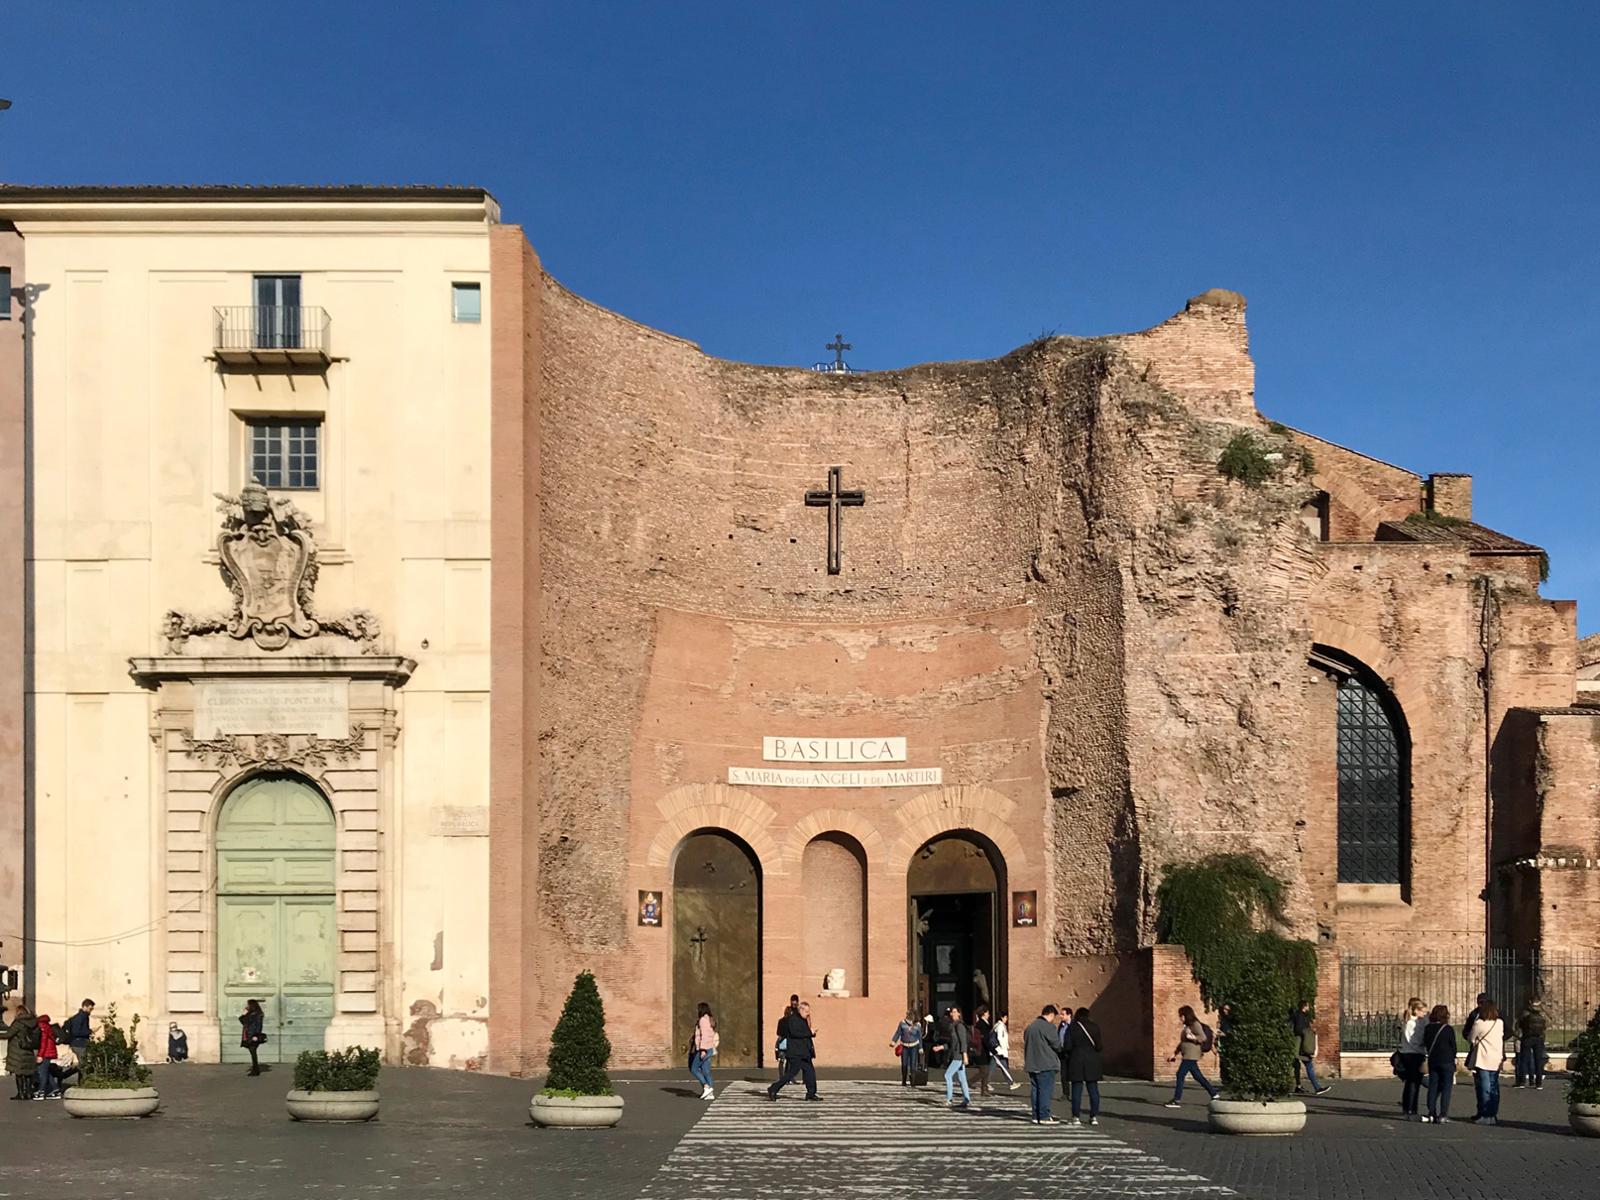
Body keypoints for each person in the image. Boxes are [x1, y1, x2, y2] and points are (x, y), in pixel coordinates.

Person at [1165, 1005, 1217, 1107]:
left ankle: (1177, 1100)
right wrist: (1175, 1053)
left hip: (1192, 1054)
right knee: (1198, 1076)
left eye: (1181, 1015)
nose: (1180, 1018)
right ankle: (1214, 1094)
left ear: (1186, 1015)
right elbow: (1183, 1042)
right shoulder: (1187, 1026)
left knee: (1180, 1074)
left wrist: (1192, 1038)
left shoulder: (1195, 1024)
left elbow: (1203, 1037)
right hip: (1187, 1054)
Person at [767, 1000, 819, 1102]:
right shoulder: (793, 1019)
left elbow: (803, 1033)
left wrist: (811, 1033)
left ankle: (811, 1093)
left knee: (810, 1072)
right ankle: (773, 1089)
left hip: (804, 1052)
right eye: (806, 1011)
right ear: (801, 1010)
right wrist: (810, 1032)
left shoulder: (803, 1019)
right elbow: (796, 1033)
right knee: (791, 1073)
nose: (808, 1013)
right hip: (796, 1052)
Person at [1466, 999, 1504, 1125]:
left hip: (1483, 1058)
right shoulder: (1499, 1023)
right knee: (1494, 1088)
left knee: (1485, 1087)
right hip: (1496, 1057)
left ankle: (1485, 1114)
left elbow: (1471, 1038)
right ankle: (1492, 1114)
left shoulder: (1479, 1023)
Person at [1023, 1005, 1062, 1125]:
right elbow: (1056, 1044)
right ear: (1050, 1014)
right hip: (1046, 1063)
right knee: (1045, 1090)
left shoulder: (1030, 1027)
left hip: (1032, 1063)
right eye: (1053, 1017)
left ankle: (1036, 1115)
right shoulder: (1048, 1027)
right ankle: (1044, 1116)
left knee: (1035, 1090)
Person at [1066, 1006, 1104, 1125]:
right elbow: (1099, 1046)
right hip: (1092, 1061)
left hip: (1076, 1060)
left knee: (1076, 1090)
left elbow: (1067, 1046)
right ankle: (1093, 1116)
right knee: (1093, 1090)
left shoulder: (1072, 1027)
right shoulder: (1095, 1027)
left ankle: (1075, 1117)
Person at [1423, 1004, 1457, 1124]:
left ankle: (1431, 1113)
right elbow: (1453, 1047)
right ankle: (1443, 1114)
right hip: (1447, 1060)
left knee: (1433, 1087)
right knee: (1446, 1088)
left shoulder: (1428, 1028)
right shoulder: (1448, 1029)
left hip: (1433, 1060)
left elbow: (1426, 1043)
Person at [1, 999, 40, 1100]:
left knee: (19, 1074)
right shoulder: (34, 1022)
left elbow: (8, 1034)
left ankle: (21, 1093)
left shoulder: (18, 1023)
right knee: (28, 1074)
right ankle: (28, 1093)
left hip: (18, 1052)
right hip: (29, 1051)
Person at [1396, 997, 1428, 1120]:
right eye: (1423, 1011)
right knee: (1413, 1083)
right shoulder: (1410, 1023)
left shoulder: (1420, 1022)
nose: (1424, 1014)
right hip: (1412, 1054)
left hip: (1414, 1053)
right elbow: (1412, 1040)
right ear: (1416, 1010)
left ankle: (1409, 1107)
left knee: (1413, 1083)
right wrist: (1422, 1043)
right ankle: (1410, 1108)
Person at [1291, 1001, 1331, 1096]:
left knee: (1296, 1065)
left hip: (1299, 1045)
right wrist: (1308, 1033)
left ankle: (1298, 1086)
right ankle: (1317, 1088)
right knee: (1308, 1065)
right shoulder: (1301, 1017)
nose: (1309, 1007)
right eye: (1308, 1006)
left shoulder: (1297, 1016)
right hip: (1301, 1046)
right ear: (1304, 1007)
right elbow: (1299, 1029)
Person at [938, 1004, 972, 1108]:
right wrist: (941, 1047)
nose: (952, 1014)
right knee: (962, 1078)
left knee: (947, 1075)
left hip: (959, 1055)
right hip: (956, 1054)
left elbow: (963, 1041)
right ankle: (967, 1099)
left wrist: (965, 1055)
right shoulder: (953, 1026)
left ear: (959, 1013)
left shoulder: (959, 1025)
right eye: (951, 1012)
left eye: (954, 1012)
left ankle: (949, 1099)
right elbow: (953, 1043)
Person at [1515, 998, 1547, 1090]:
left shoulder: (1525, 1013)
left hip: (1527, 1038)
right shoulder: (1542, 1013)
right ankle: (1539, 1083)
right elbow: (1545, 1026)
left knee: (1524, 1060)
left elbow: (1519, 1024)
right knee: (1538, 1061)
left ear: (1530, 1002)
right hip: (1539, 1039)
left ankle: (1522, 1082)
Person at [689, 1001, 718, 1100]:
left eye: (698, 1008)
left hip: (704, 1048)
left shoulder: (703, 1020)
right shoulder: (709, 1019)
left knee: (694, 1068)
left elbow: (705, 1035)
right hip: (709, 1048)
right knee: (706, 1071)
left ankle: (706, 1087)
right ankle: (710, 1093)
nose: (696, 1010)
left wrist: (703, 1050)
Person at [59, 999, 94, 1070]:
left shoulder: (83, 1016)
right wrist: (90, 1031)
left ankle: (65, 1075)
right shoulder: (81, 1017)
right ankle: (79, 1079)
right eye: (90, 1008)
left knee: (82, 1065)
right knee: (83, 1065)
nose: (91, 1011)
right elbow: (76, 1032)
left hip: (79, 1043)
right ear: (84, 1007)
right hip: (79, 1043)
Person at [891, 1010, 923, 1086]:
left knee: (913, 1063)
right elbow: (898, 1033)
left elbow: (919, 1037)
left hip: (914, 1046)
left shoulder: (918, 1025)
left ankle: (913, 1081)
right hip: (904, 1046)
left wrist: (920, 1048)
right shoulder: (902, 1023)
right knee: (904, 1064)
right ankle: (904, 1080)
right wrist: (893, 1041)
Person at [990, 1012, 1020, 1089]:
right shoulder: (1000, 1026)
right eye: (1006, 1017)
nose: (1006, 1019)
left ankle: (1010, 1083)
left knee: (1000, 1066)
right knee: (997, 1067)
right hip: (999, 1050)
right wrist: (1003, 1048)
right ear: (1002, 1017)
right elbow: (1000, 1038)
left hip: (999, 1051)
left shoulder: (999, 1025)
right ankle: (1011, 1083)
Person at [970, 1004, 994, 1097]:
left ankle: (984, 1090)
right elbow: (985, 1039)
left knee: (985, 1071)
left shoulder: (983, 1024)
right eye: (987, 1013)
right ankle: (970, 1082)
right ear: (983, 1013)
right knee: (983, 1071)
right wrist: (991, 1049)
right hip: (982, 1050)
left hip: (984, 1050)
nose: (989, 1015)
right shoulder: (982, 1024)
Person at [34, 1012, 60, 1100]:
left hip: (46, 1053)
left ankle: (41, 1091)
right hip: (49, 1051)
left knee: (42, 1072)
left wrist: (40, 1055)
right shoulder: (46, 1025)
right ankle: (56, 1090)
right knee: (46, 1072)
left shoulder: (42, 1026)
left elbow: (43, 1042)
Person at [240, 998, 266, 1076]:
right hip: (248, 1035)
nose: (247, 1006)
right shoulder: (250, 1013)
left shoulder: (258, 1014)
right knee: (253, 1053)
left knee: (253, 1052)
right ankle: (255, 1069)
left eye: (248, 1004)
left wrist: (256, 1035)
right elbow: (243, 1022)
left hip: (253, 1035)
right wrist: (243, 1014)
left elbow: (259, 1025)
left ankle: (255, 1070)